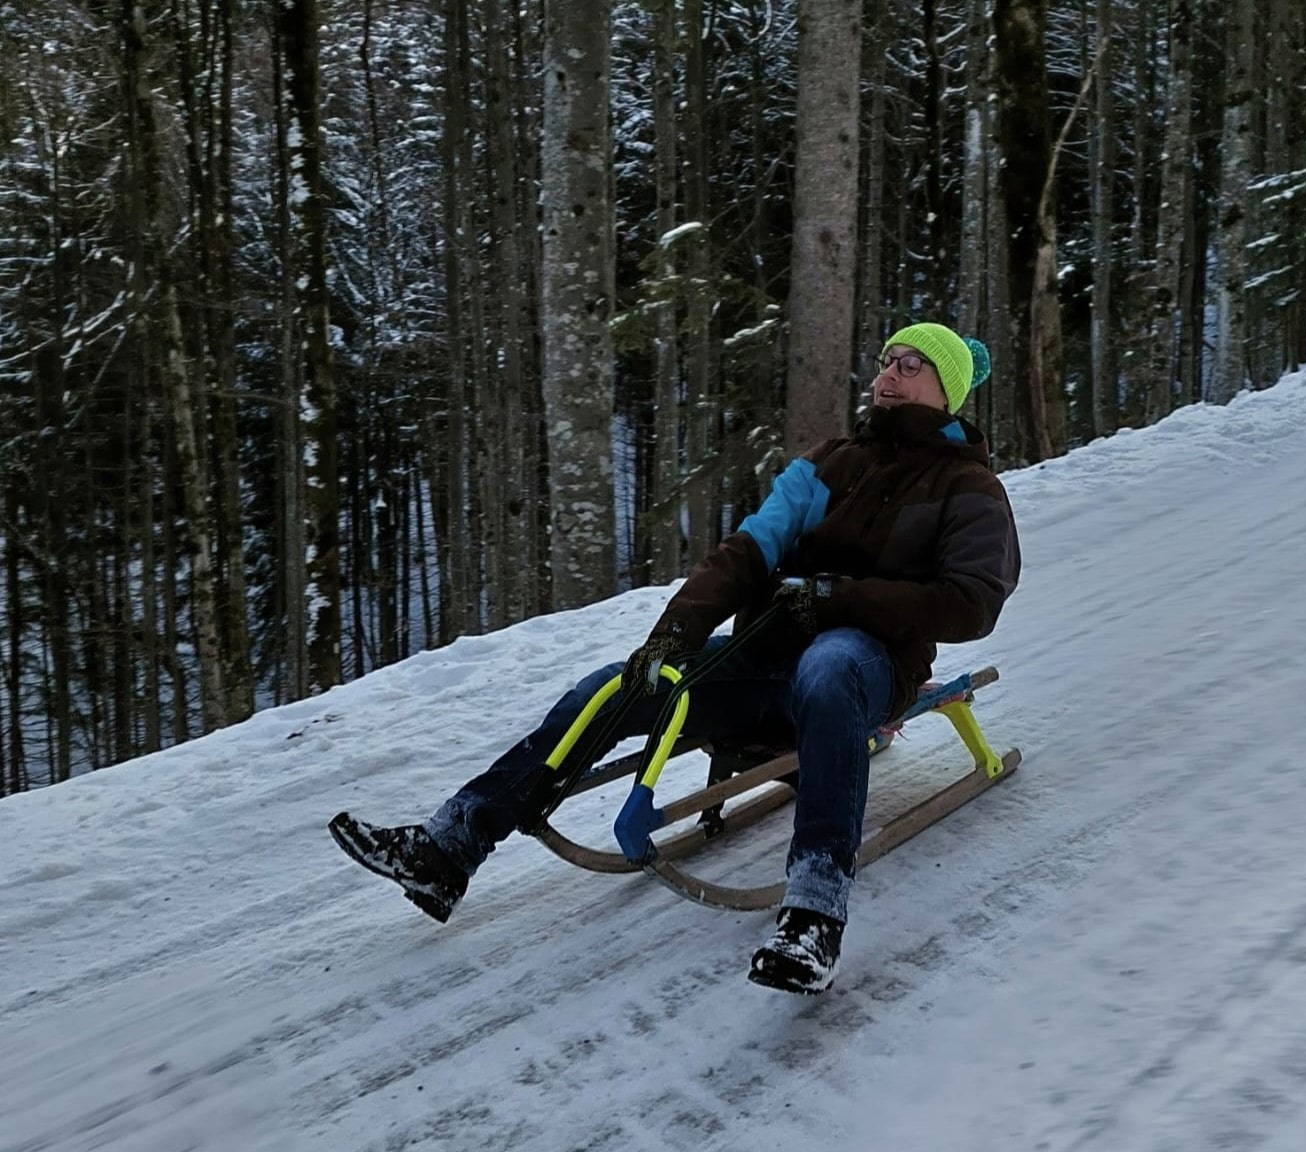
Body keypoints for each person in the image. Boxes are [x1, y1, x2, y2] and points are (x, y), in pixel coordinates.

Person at [329, 321, 1021, 994]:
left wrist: (839, 600)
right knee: (611, 688)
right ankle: (448, 849)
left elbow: (969, 602)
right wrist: (674, 634)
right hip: (766, 658)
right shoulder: (828, 462)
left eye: (910, 364)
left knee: (830, 665)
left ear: (946, 389)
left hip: (869, 664)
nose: (887, 375)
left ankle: (813, 914)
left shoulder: (968, 488)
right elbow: (746, 554)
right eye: (885, 360)